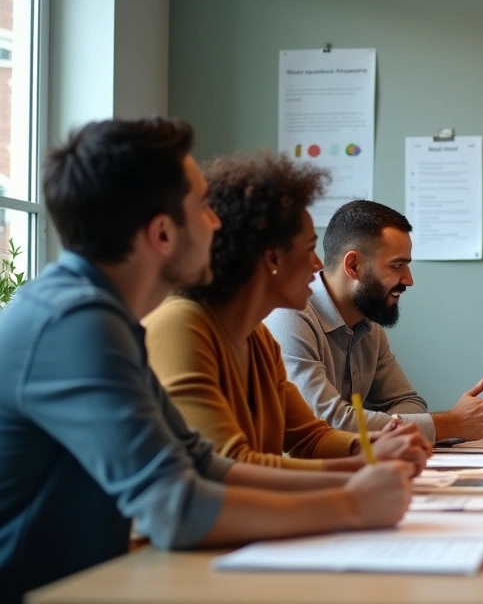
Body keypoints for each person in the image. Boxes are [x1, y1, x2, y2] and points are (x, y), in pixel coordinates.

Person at [0, 119, 415, 602]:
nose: (217, 223)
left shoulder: (104, 316)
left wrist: (360, 476)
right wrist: (350, 505)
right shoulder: (76, 322)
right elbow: (174, 506)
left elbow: (202, 464)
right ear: (161, 233)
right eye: (201, 208)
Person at [144, 153, 431, 471]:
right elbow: (229, 467)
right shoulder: (182, 326)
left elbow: (310, 437)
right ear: (272, 259)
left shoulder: (259, 339)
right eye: (309, 249)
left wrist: (379, 446)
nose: (318, 264)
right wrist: (355, 476)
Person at [264, 200, 483, 443]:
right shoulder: (288, 316)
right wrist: (452, 423)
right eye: (397, 265)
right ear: (353, 265)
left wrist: (381, 432)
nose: (408, 280)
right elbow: (325, 424)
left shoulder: (368, 324)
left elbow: (409, 403)